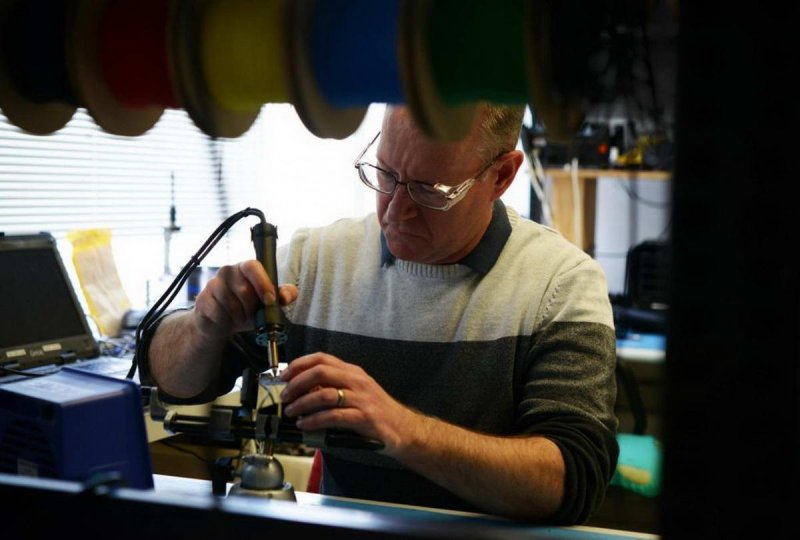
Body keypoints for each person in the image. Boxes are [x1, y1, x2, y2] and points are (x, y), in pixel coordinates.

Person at [140, 104, 618, 524]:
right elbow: (172, 380)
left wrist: (400, 428)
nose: (396, 212)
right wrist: (205, 326)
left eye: (431, 190)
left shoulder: (561, 284)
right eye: (386, 175)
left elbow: (572, 481)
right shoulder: (315, 264)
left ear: (502, 176)